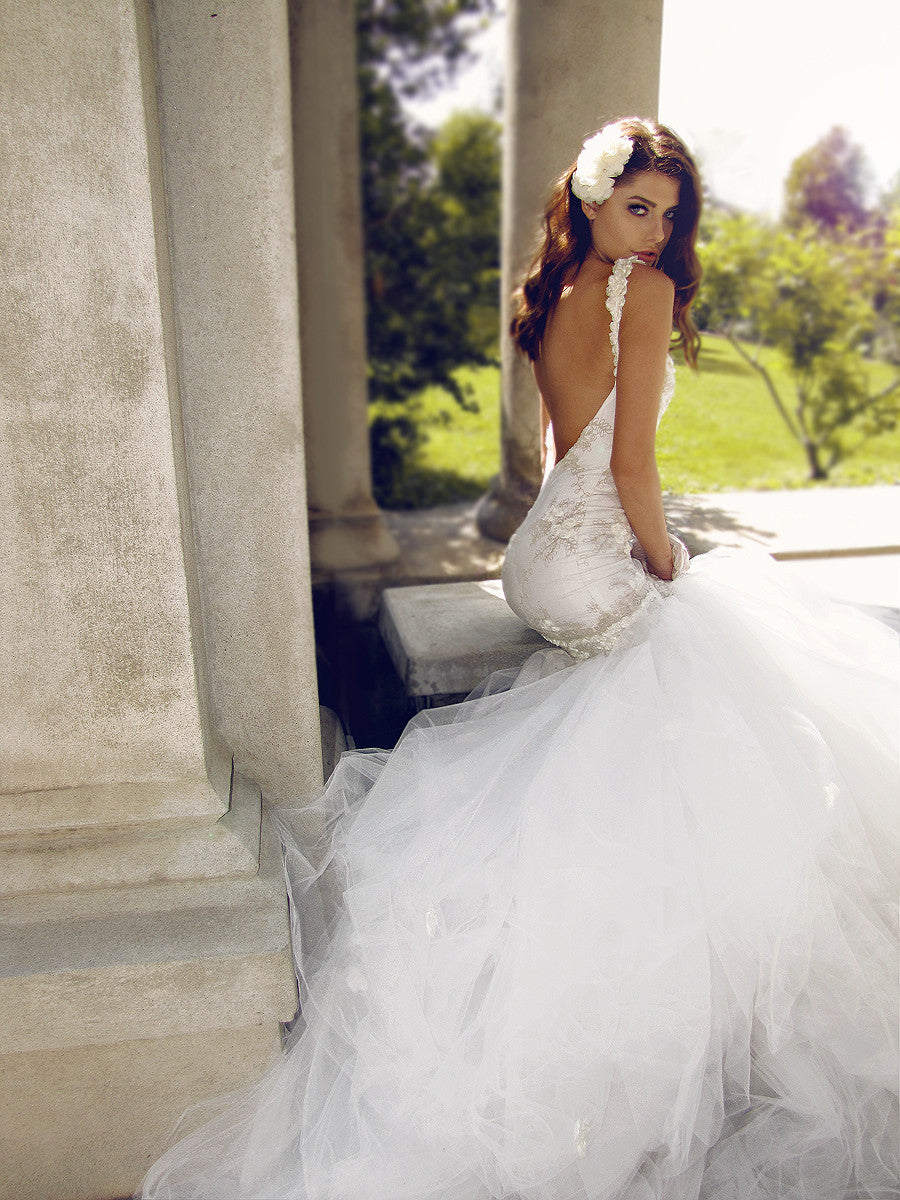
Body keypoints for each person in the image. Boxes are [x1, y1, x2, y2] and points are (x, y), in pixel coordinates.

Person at [139, 119, 899, 1200]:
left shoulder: (550, 292)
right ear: (590, 200)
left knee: (702, 670)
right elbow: (633, 470)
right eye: (638, 206)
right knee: (729, 646)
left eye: (669, 214)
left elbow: (561, 454)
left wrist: (619, 545)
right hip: (589, 559)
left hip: (539, 556)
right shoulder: (644, 299)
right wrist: (671, 558)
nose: (655, 230)